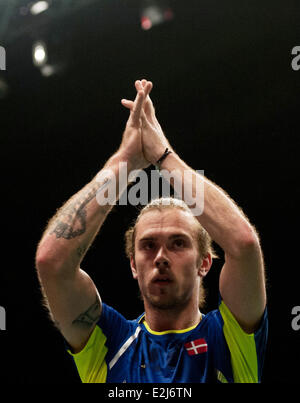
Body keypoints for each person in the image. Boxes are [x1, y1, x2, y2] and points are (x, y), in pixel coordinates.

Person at [35, 79, 268, 383]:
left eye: (178, 243)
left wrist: (163, 155)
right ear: (133, 264)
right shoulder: (110, 343)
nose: (161, 257)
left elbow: (244, 244)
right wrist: (123, 163)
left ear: (205, 263)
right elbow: (52, 262)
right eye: (148, 246)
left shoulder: (229, 335)